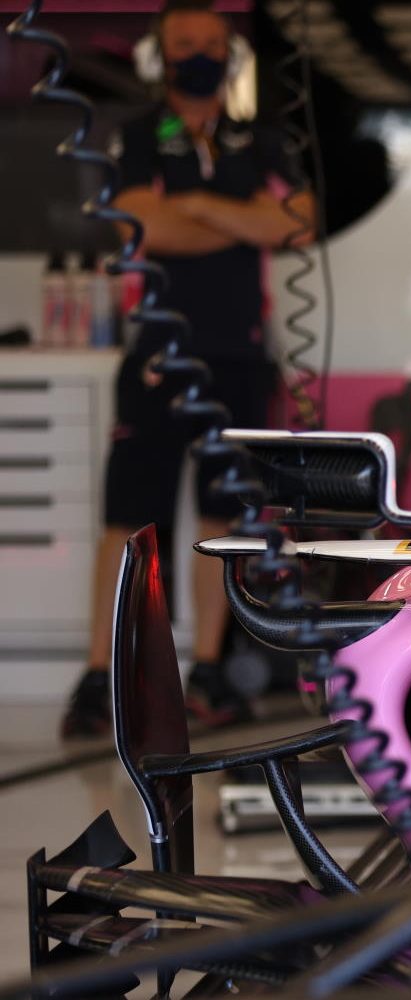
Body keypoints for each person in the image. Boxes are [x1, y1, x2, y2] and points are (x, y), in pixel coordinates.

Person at [60, 0, 312, 739]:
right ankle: (99, 676)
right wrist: (240, 220)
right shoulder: (139, 134)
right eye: (184, 44)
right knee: (127, 518)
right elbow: (140, 225)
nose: (198, 54)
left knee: (220, 517)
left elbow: (297, 220)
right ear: (159, 55)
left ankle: (208, 671)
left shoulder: (258, 138)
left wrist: (197, 205)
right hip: (158, 355)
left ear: (229, 54)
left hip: (238, 353)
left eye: (211, 43)